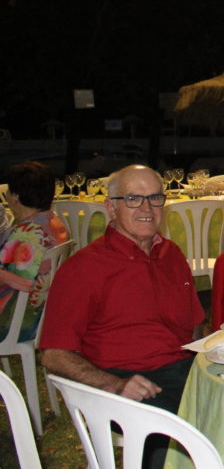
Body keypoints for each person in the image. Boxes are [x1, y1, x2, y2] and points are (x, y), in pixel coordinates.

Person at [40, 166, 201, 468]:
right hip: (125, 380)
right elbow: (54, 355)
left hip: (182, 373)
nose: (147, 208)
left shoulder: (171, 254)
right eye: (133, 199)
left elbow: (193, 329)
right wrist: (114, 384)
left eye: (155, 198)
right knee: (175, 433)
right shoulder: (84, 269)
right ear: (110, 207)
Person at [0, 161, 69, 342]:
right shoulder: (52, 223)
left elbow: (23, 283)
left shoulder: (28, 233)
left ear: (15, 196)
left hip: (13, 323)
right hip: (37, 318)